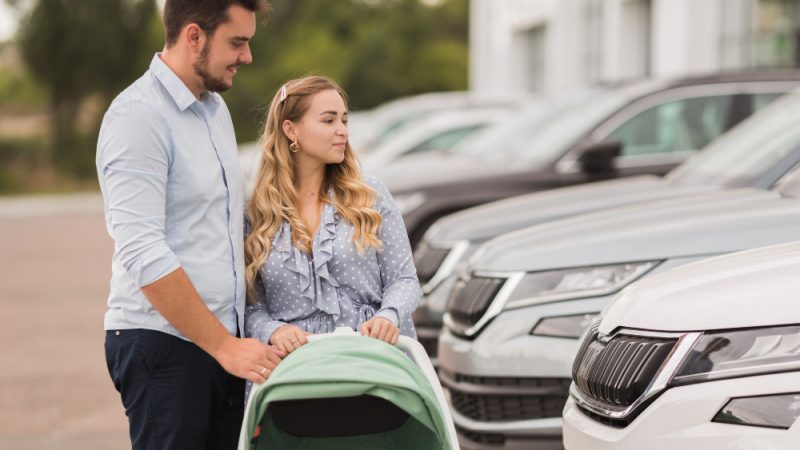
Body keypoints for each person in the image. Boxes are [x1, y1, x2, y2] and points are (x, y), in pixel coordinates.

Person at [96, 1, 279, 449]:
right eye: (237, 42)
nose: (247, 56)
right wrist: (224, 346)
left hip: (221, 344)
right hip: (165, 346)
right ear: (194, 36)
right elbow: (142, 250)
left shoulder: (215, 110)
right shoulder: (137, 117)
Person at [244, 76, 421, 356]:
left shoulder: (369, 195)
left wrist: (388, 316)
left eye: (344, 121)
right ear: (291, 129)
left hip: (370, 356)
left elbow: (405, 280)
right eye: (329, 121)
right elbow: (250, 308)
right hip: (295, 366)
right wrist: (274, 331)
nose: (342, 131)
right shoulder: (258, 212)